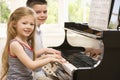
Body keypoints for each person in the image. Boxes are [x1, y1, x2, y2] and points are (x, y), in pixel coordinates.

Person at [0, 7, 65, 80]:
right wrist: (49, 59)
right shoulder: (15, 44)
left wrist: (46, 54)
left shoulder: (27, 42)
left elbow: (31, 59)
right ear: (14, 24)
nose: (28, 27)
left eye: (32, 24)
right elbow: (32, 65)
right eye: (24, 23)